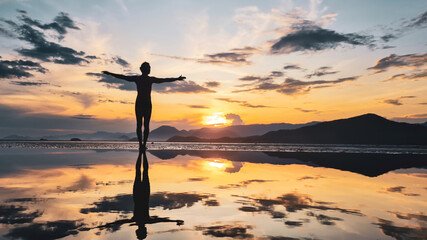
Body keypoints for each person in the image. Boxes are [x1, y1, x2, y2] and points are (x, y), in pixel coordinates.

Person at [103, 62, 185, 149]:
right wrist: (110, 73)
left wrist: (177, 78)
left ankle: (143, 145)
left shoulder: (145, 79)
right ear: (144, 69)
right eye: (148, 67)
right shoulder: (144, 79)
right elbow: (123, 77)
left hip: (144, 103)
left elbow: (164, 79)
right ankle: (141, 145)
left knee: (143, 125)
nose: (149, 69)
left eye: (149, 67)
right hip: (143, 103)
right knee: (142, 125)